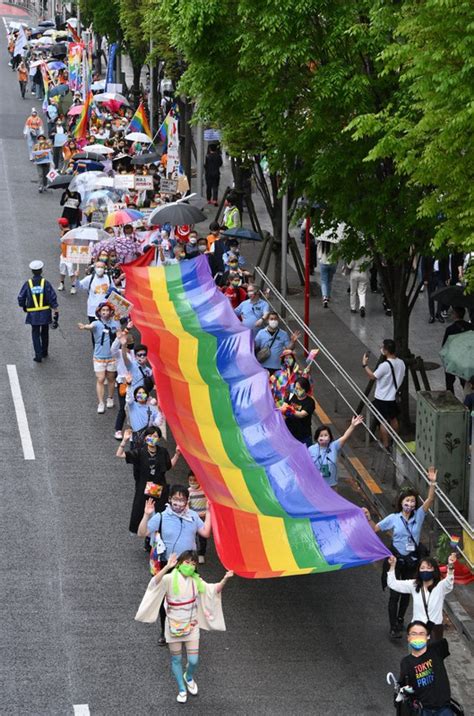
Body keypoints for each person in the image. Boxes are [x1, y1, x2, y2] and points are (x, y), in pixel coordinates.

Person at [135, 550, 233, 704]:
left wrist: (225, 579)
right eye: (187, 562)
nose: (190, 566)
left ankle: (188, 676)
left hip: (191, 625)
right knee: (176, 659)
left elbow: (213, 590)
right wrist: (167, 567)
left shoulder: (196, 581)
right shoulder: (168, 579)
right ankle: (181, 688)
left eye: (193, 564)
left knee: (193, 660)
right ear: (180, 563)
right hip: (173, 626)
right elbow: (154, 583)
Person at [362, 468, 437, 638]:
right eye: (407, 501)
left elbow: (431, 499)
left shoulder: (419, 515)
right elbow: (375, 528)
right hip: (395, 561)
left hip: (412, 561)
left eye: (412, 501)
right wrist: (367, 517)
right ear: (401, 502)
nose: (410, 504)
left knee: (407, 592)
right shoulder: (393, 518)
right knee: (395, 593)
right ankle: (393, 626)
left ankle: (401, 619)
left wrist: (432, 483)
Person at [137, 484, 212, 645]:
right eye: (176, 499)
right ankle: (165, 631)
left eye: (182, 499)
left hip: (189, 566)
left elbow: (205, 532)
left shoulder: (192, 516)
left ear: (187, 501)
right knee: (167, 599)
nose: (179, 503)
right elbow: (141, 533)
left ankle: (185, 629)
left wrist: (210, 512)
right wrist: (146, 515)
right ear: (170, 499)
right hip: (168, 564)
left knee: (189, 599)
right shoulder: (162, 517)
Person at [116, 426, 180, 534]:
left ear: (159, 439)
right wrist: (124, 441)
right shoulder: (140, 452)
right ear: (145, 438)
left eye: (155, 436)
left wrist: (177, 455)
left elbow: (169, 465)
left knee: (158, 513)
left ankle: (154, 538)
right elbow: (120, 454)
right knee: (144, 512)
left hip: (159, 487)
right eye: (149, 436)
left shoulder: (162, 452)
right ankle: (145, 535)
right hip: (144, 488)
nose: (152, 438)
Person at [387, 553, 456, 641]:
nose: (425, 571)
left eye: (428, 568)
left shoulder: (440, 586)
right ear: (418, 571)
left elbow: (449, 583)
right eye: (422, 568)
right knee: (416, 654)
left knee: (433, 654)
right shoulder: (414, 585)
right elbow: (393, 584)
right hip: (417, 630)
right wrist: (392, 566)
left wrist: (450, 565)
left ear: (434, 570)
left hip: (434, 630)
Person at [398, 621, 454, 715]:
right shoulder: (406, 662)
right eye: (414, 634)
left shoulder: (436, 651)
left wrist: (430, 621)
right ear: (408, 638)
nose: (418, 637)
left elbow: (439, 633)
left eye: (421, 634)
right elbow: (404, 685)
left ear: (428, 636)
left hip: (444, 709)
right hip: (424, 710)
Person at [362, 339, 406, 449]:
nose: (381, 349)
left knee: (383, 422)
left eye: (383, 347)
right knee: (393, 418)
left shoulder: (385, 365)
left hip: (382, 398)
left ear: (386, 351)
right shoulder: (401, 363)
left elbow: (372, 376)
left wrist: (365, 365)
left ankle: (386, 444)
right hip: (393, 397)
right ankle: (394, 440)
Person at [77, 302, 119, 413]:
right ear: (99, 312)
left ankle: (110, 397)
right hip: (99, 356)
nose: (105, 312)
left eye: (107, 310)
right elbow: (90, 326)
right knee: (100, 379)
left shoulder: (115, 324)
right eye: (103, 310)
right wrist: (84, 327)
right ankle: (101, 402)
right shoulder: (96, 323)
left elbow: (119, 335)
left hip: (112, 357)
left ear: (111, 312)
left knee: (111, 378)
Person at [18, 260, 59, 363]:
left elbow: (21, 297)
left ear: (32, 271)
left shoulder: (28, 283)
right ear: (41, 271)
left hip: (33, 313)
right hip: (45, 312)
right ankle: (44, 351)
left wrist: (23, 306)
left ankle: (38, 355)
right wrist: (55, 309)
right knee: (45, 332)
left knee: (35, 333)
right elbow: (52, 296)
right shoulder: (45, 283)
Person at [308, 416, 364, 488]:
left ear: (330, 437)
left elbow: (345, 436)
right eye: (321, 435)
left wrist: (352, 425)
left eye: (326, 435)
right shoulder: (311, 449)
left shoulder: (334, 446)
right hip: (316, 484)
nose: (323, 438)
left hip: (332, 484)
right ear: (317, 438)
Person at [441, 306, 473, 393]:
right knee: (465, 382)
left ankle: (451, 398)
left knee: (449, 381)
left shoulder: (450, 329)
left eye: (452, 313)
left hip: (453, 359)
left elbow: (444, 346)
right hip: (466, 359)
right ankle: (468, 399)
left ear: (455, 315)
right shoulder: (470, 326)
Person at [280, 377, 316, 446]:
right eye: (295, 388)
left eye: (299, 389)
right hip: (289, 433)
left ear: (305, 389)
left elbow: (301, 414)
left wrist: (290, 409)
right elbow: (283, 407)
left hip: (303, 436)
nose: (296, 390)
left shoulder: (310, 402)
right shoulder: (291, 396)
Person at [188, 472, 208, 564]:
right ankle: (193, 553)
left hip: (203, 517)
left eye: (195, 480)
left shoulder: (204, 490)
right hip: (193, 517)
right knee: (192, 536)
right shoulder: (188, 491)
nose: (192, 482)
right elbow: (187, 505)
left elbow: (209, 500)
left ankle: (201, 554)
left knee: (202, 537)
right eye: (190, 480)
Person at [56, 218, 77, 294]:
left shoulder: (68, 233)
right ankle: (62, 283)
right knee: (62, 271)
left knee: (71, 272)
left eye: (59, 224)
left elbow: (70, 243)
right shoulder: (64, 232)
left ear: (61, 225)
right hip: (63, 255)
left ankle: (73, 286)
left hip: (69, 256)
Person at [317, 239, 338, 308]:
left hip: (323, 263)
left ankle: (325, 297)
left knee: (324, 281)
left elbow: (319, 255)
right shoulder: (334, 244)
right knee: (329, 280)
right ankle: (328, 295)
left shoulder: (321, 244)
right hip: (333, 263)